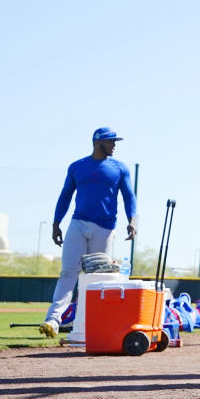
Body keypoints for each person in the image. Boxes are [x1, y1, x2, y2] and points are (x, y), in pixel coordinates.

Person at [40, 127, 138, 337]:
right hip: (77, 224)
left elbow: (129, 196)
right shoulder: (77, 167)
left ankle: (91, 325)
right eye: (110, 141)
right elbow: (65, 195)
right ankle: (53, 320)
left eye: (115, 142)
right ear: (97, 142)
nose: (114, 145)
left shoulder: (120, 168)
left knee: (97, 277)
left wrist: (133, 220)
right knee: (68, 272)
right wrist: (56, 223)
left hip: (105, 227)